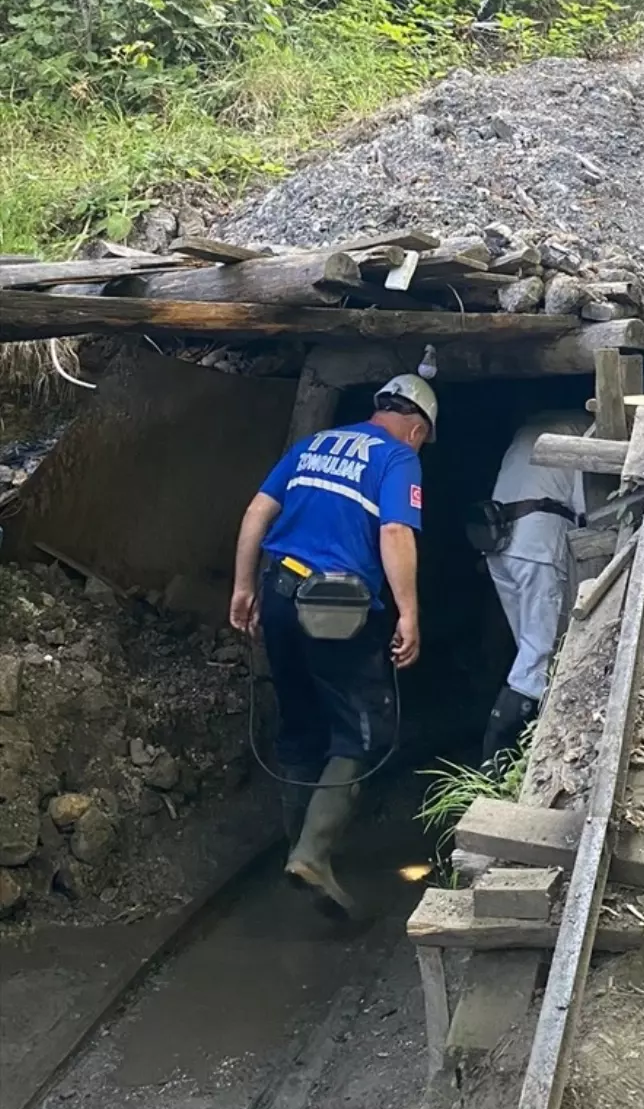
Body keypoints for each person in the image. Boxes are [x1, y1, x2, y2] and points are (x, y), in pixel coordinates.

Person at [228, 372, 436, 914]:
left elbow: (257, 512)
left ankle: (297, 849)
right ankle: (313, 856)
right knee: (364, 732)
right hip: (336, 609)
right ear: (416, 430)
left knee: (299, 724)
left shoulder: (313, 444)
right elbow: (395, 532)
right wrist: (409, 612)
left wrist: (244, 587)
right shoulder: (398, 458)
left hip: (278, 590)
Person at [479, 412, 587, 767]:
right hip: (537, 545)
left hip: (497, 543)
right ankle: (500, 757)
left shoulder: (526, 429)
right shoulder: (586, 433)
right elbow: (587, 508)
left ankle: (507, 754)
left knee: (526, 648)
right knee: (538, 656)